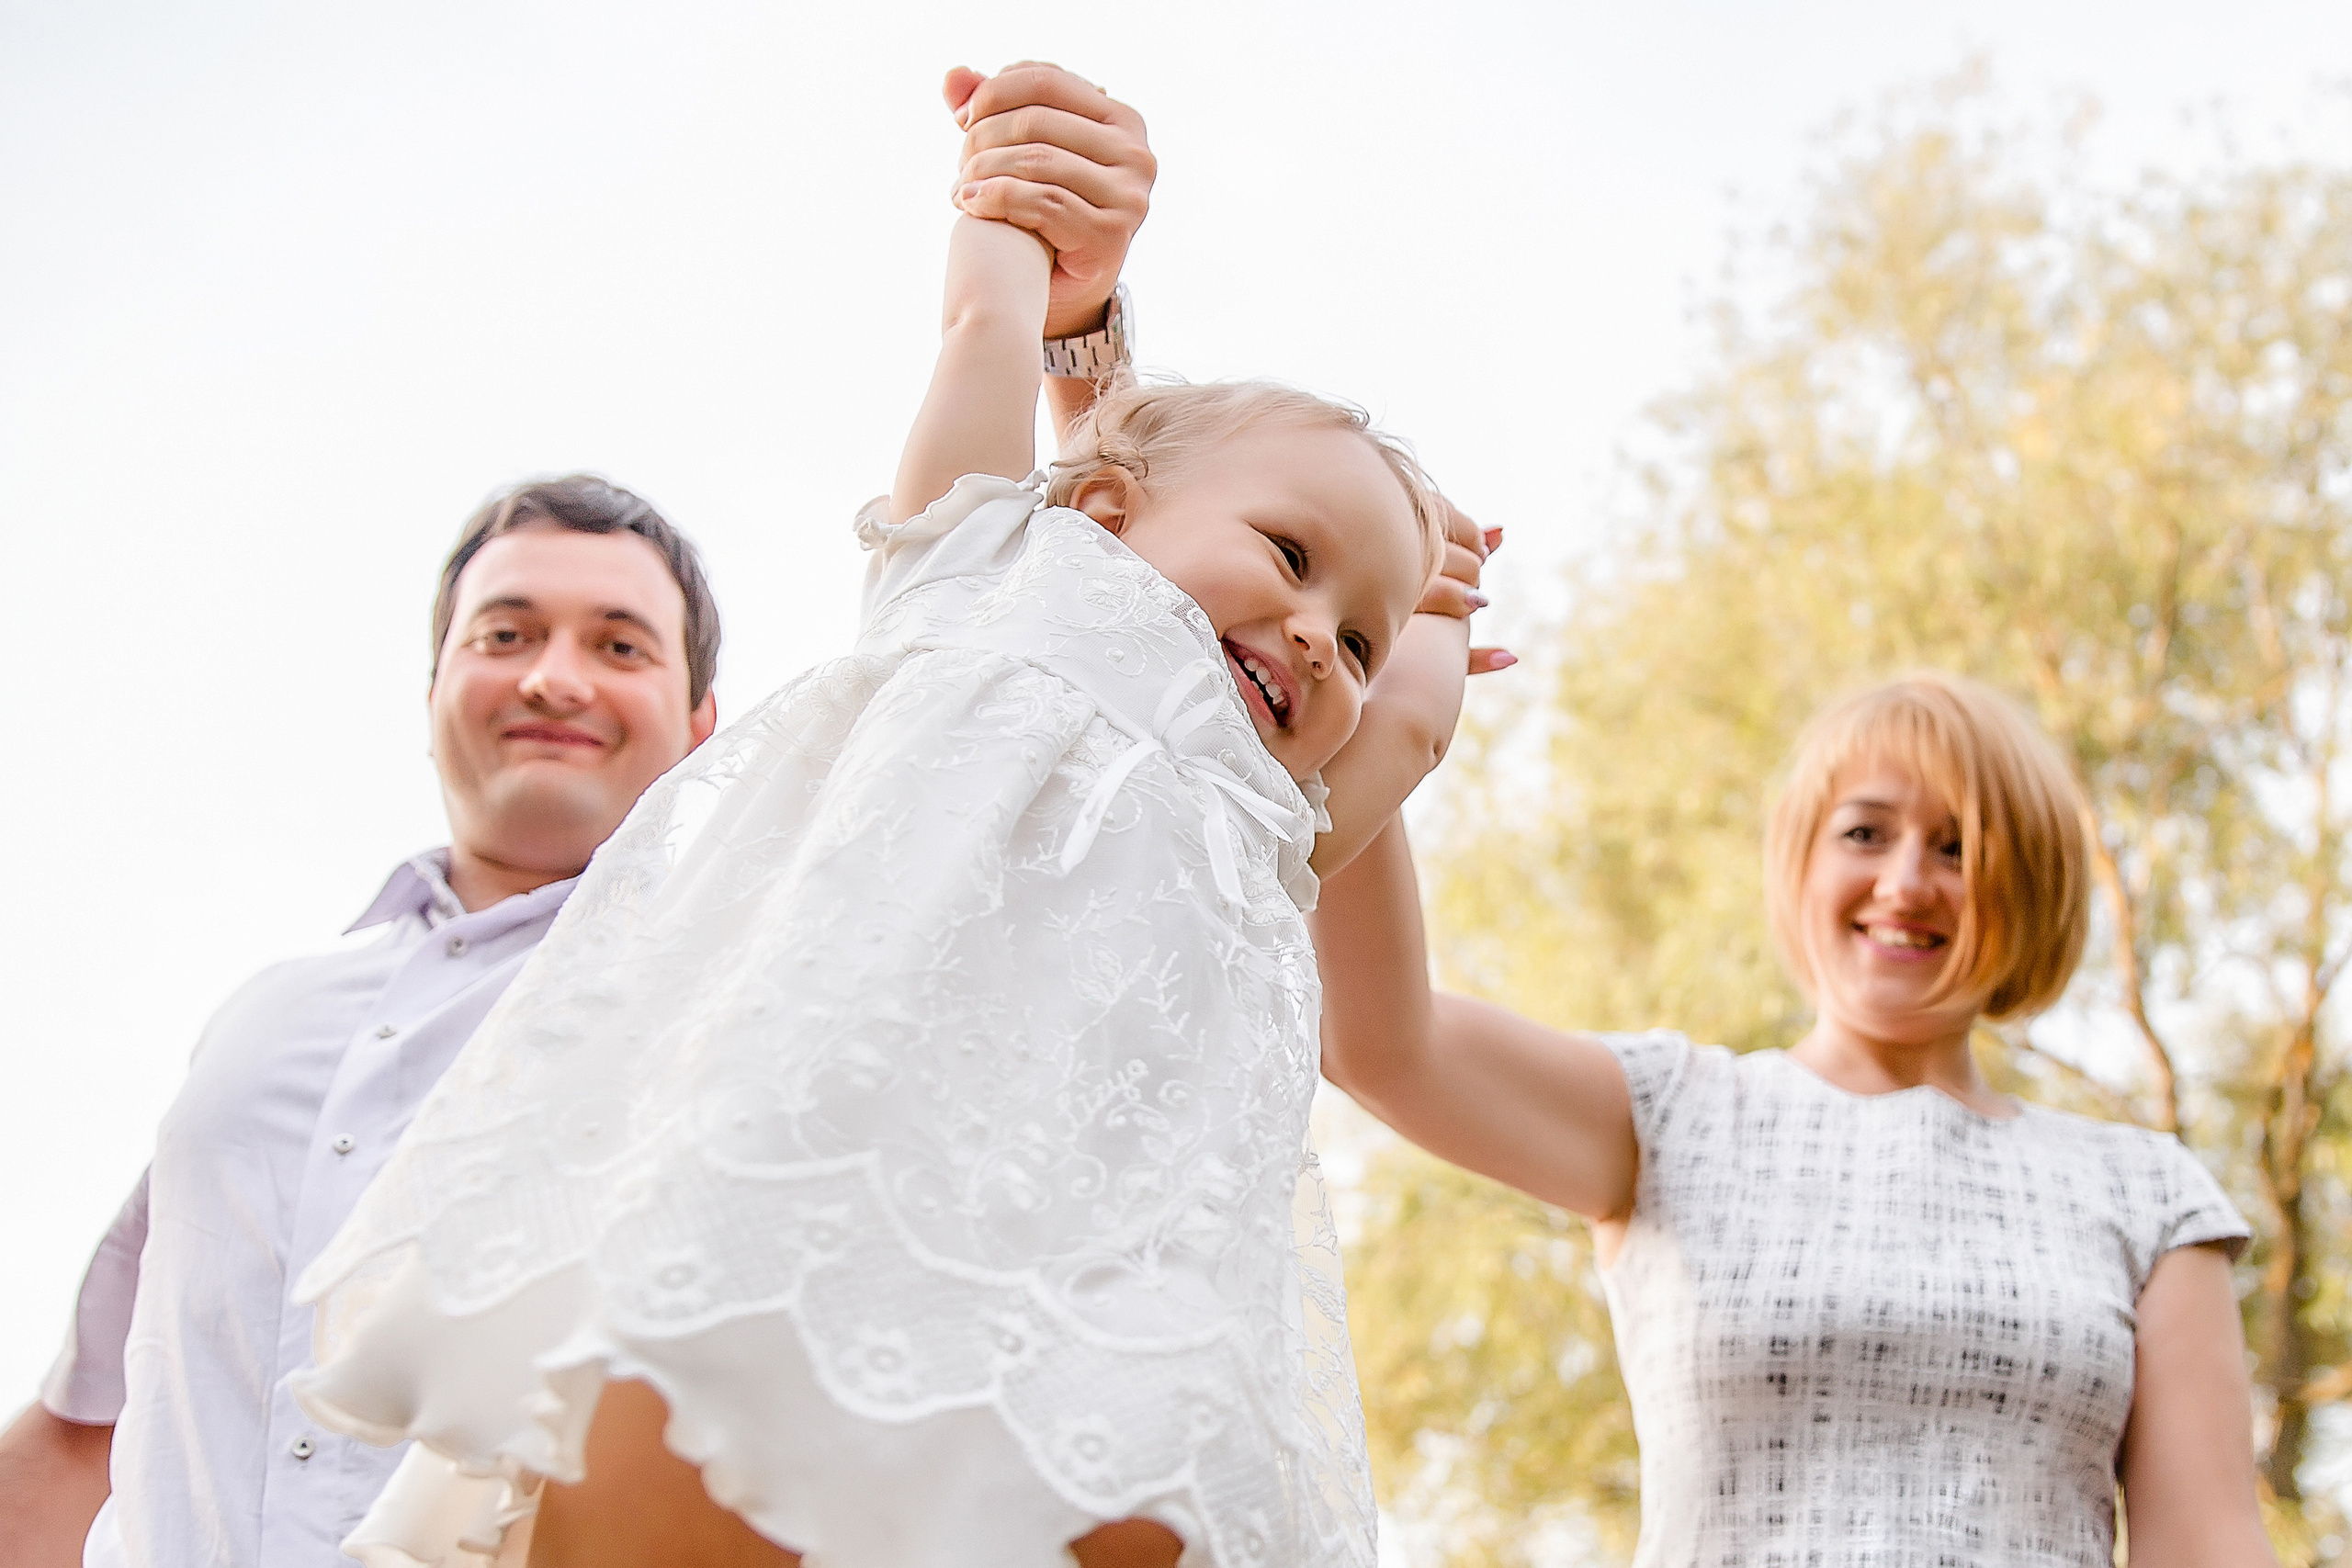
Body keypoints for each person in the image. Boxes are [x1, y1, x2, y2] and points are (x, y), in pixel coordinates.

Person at [285, 64, 1489, 1568]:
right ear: (1106, 508)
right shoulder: (986, 580)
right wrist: (1008, 207)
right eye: (1292, 553)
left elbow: (1414, 729)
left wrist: (1440, 608)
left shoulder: (1271, 816)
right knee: (668, 1445)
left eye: (1357, 637)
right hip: (823, 1176)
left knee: (1143, 1501)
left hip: (1093, 1296)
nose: (1318, 633)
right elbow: (985, 330)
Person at [0, 62, 1158, 1568]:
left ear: (700, 726)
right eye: (507, 632)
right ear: (436, 683)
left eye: (618, 644)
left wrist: (1072, 339)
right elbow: (79, 1436)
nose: (554, 675)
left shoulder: (740, 972)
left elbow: (1003, 673)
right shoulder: (262, 1024)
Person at [1311, 671, 2278, 1567]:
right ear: (1801, 859)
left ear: (2026, 885)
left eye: (1956, 846)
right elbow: (1378, 1044)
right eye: (1865, 833)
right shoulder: (1671, 1115)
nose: (1906, 883)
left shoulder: (2146, 1194)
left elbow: (2207, 1546)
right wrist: (1376, 684)